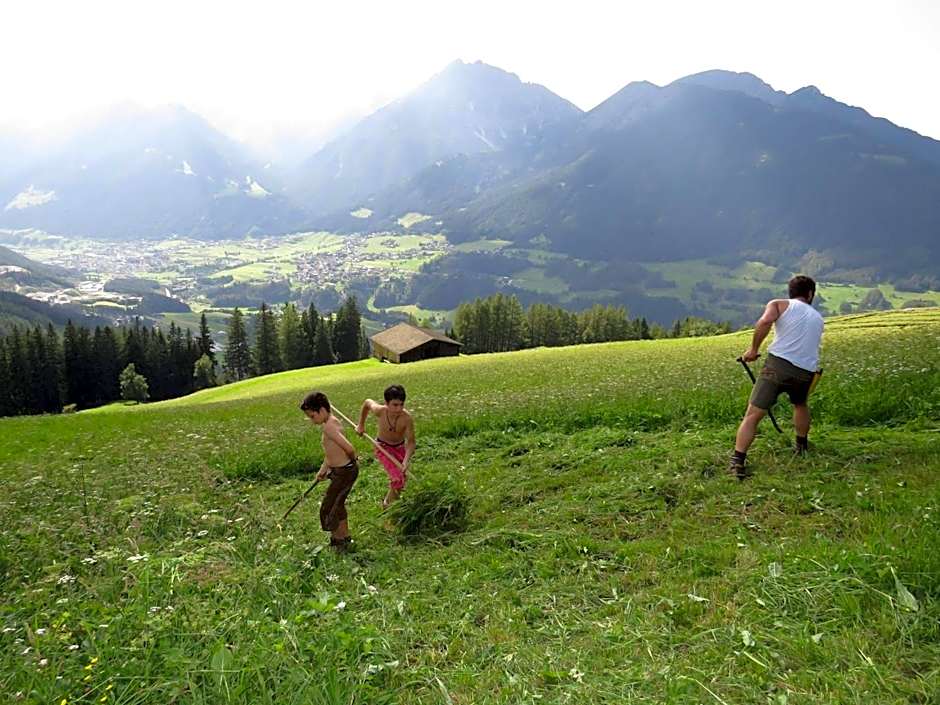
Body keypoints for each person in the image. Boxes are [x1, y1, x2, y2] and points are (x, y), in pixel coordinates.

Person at [730, 275, 824, 478]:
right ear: (810, 294)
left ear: (790, 292)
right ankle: (801, 446)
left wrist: (753, 350)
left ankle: (737, 461)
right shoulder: (818, 317)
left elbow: (765, 322)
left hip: (778, 365)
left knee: (753, 414)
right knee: (800, 405)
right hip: (806, 370)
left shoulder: (779, 305)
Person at [300, 391, 359, 550]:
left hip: (344, 472)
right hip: (339, 471)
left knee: (328, 507)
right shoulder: (332, 422)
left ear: (322, 410)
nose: (312, 420)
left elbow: (348, 447)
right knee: (337, 504)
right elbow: (330, 453)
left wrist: (352, 460)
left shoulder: (329, 428)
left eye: (312, 416)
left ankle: (338, 539)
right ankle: (344, 537)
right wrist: (323, 470)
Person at [356, 384, 416, 509]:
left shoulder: (407, 418)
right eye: (395, 405)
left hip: (400, 448)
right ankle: (387, 507)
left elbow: (411, 442)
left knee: (402, 478)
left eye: (401, 404)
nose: (398, 408)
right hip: (383, 447)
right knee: (397, 479)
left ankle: (393, 503)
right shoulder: (380, 411)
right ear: (386, 403)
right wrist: (361, 425)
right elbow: (367, 403)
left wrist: (406, 460)